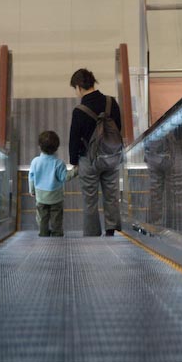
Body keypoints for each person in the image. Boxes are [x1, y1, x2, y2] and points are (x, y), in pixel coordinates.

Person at [68, 68, 122, 236]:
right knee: (111, 195)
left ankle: (92, 234)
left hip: (88, 160)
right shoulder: (111, 102)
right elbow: (118, 128)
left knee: (90, 200)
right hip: (111, 157)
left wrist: (74, 161)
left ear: (79, 87)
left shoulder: (79, 111)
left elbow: (74, 139)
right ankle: (111, 230)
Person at [29, 131, 76, 237]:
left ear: (39, 146)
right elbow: (65, 177)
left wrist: (32, 190)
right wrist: (76, 170)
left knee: (42, 219)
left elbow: (31, 177)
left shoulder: (35, 162)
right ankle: (57, 234)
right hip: (56, 198)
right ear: (57, 147)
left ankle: (43, 234)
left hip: (40, 197)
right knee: (56, 219)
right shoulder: (59, 163)